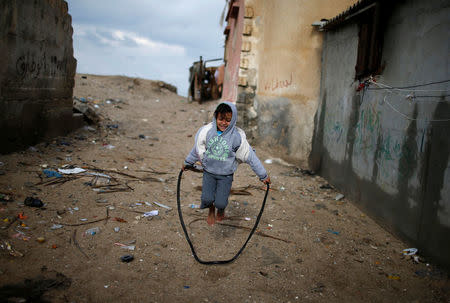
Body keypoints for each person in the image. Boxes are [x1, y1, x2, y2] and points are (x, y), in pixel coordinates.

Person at [182, 101, 271, 225]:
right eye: (221, 119)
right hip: (209, 172)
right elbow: (197, 149)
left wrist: (263, 175)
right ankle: (211, 209)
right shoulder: (207, 132)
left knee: (221, 202)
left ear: (233, 120)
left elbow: (251, 157)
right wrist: (187, 162)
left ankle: (220, 209)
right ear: (215, 117)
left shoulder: (236, 137)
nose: (224, 123)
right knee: (206, 199)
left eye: (228, 120)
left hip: (226, 175)